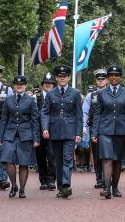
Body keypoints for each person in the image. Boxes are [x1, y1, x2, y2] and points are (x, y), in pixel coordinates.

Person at [92, 64, 125, 199]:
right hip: (105, 130)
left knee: (117, 161)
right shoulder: (100, 93)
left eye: (116, 75)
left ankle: (115, 188)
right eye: (111, 75)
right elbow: (97, 114)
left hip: (121, 131)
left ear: (120, 77)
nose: (114, 77)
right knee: (107, 159)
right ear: (108, 77)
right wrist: (94, 132)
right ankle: (106, 187)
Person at [41, 65, 83, 198]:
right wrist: (45, 128)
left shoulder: (75, 93)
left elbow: (79, 115)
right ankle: (61, 187)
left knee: (67, 159)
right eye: (60, 76)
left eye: (64, 76)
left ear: (69, 77)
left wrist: (78, 133)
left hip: (70, 130)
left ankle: (66, 185)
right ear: (56, 78)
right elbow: (45, 112)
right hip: (55, 130)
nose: (62, 78)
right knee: (57, 160)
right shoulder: (51, 93)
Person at [0, 75, 40, 198]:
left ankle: (22, 189)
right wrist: (0, 136)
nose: (19, 86)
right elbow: (4, 119)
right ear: (14, 86)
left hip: (25, 135)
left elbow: (34, 120)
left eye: (21, 84)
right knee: (8, 160)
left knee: (23, 163)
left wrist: (36, 138)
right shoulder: (8, 100)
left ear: (25, 85)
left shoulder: (31, 100)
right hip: (9, 134)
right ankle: (14, 185)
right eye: (17, 84)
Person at [83, 69, 108, 188]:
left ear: (107, 80)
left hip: (109, 128)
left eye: (103, 79)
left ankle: (107, 179)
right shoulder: (91, 95)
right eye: (99, 79)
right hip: (95, 128)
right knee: (97, 154)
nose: (101, 81)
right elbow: (85, 112)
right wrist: (83, 127)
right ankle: (99, 179)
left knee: (108, 155)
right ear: (96, 81)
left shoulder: (111, 93)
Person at [34, 73, 56, 190]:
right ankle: (43, 180)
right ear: (42, 84)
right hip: (38, 130)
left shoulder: (56, 96)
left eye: (50, 83)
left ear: (53, 85)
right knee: (40, 156)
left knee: (52, 155)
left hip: (52, 129)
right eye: (46, 83)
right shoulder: (35, 96)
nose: (48, 85)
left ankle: (52, 180)